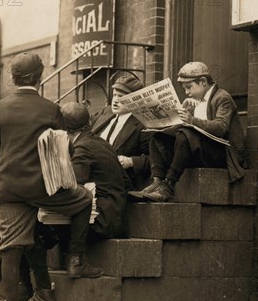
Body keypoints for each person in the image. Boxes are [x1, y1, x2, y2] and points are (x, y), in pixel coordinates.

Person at [0, 52, 102, 301]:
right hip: (43, 188)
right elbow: (66, 149)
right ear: (39, 78)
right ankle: (76, 260)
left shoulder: (0, 108)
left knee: (10, 248)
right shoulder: (51, 109)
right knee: (84, 199)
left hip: (9, 188)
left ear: (12, 78)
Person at [128, 62, 246, 203]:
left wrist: (191, 120)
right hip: (201, 149)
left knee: (185, 134)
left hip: (222, 154)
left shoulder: (222, 97)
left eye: (189, 87)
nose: (186, 92)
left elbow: (220, 128)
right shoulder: (197, 101)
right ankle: (157, 182)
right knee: (157, 136)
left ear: (203, 82)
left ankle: (169, 186)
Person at [62, 102, 129, 241]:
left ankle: (74, 260)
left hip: (100, 222)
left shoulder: (82, 148)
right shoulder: (102, 142)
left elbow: (72, 185)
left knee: (41, 226)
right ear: (90, 121)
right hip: (114, 216)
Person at [91, 74, 151, 191]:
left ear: (135, 100)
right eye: (114, 95)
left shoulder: (143, 124)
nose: (116, 100)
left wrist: (131, 161)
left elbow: (154, 159)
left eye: (122, 97)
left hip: (116, 183)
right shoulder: (105, 113)